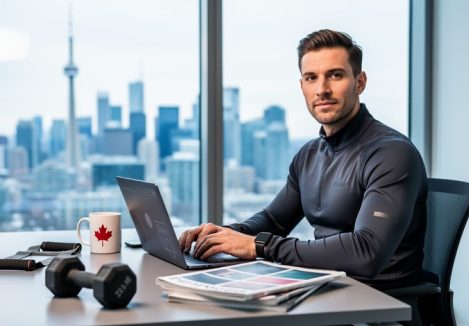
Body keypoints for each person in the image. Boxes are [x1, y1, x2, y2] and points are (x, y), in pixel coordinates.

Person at [179, 29, 427, 289]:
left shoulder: (391, 153)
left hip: (375, 299)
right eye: (311, 78)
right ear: (302, 87)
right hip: (324, 284)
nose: (322, 89)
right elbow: (274, 221)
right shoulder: (309, 155)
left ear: (360, 82)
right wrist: (224, 235)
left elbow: (367, 252)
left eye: (335, 75)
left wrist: (260, 246)